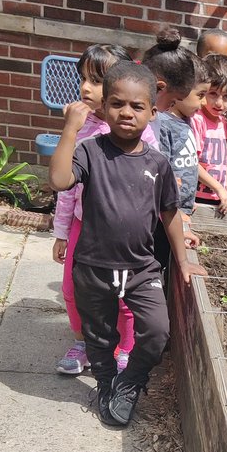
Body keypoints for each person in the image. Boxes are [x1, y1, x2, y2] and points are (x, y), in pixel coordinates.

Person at [48, 60, 207, 428]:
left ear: (152, 112)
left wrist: (182, 261)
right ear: (104, 107)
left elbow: (169, 214)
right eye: (117, 103)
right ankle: (106, 384)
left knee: (156, 330)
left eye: (137, 106)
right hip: (92, 267)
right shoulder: (90, 151)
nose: (126, 112)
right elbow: (58, 179)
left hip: (140, 268)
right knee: (99, 335)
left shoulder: (158, 163)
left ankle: (131, 381)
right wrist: (70, 129)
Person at [51, 43, 155, 377]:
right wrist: (62, 232)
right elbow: (66, 188)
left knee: (122, 296)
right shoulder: (79, 129)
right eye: (83, 78)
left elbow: (151, 186)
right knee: (71, 288)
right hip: (84, 226)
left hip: (121, 235)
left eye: (96, 81)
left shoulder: (141, 132)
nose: (85, 88)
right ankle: (83, 342)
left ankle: (124, 348)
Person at [154, 50, 209, 274]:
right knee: (158, 259)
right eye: (200, 95)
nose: (204, 102)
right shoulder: (163, 123)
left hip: (176, 211)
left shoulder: (185, 121)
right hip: (164, 214)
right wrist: (174, 210)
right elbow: (163, 175)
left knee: (169, 260)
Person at [192, 53, 227, 213]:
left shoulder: (224, 122)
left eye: (226, 97)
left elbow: (226, 162)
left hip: (220, 197)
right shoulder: (197, 120)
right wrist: (219, 188)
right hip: (196, 197)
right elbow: (192, 163)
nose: (219, 103)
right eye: (213, 94)